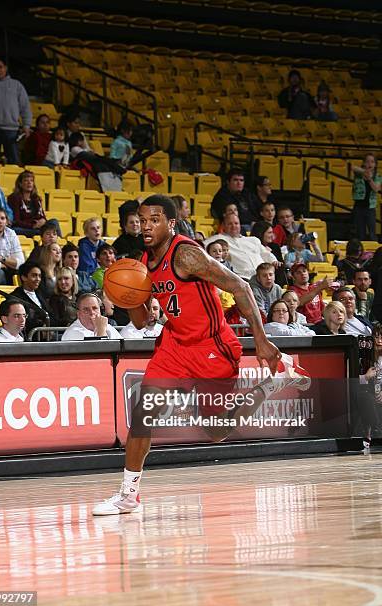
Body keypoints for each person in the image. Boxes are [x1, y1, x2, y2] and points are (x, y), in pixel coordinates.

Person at [92, 194, 311, 516]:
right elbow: (142, 321)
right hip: (174, 345)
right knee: (142, 415)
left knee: (216, 431)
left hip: (212, 347)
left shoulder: (187, 255)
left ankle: (272, 383)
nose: (146, 225)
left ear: (171, 223)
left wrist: (261, 339)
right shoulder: (143, 261)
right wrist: (124, 293)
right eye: (143, 219)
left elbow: (240, 287)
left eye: (154, 219)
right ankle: (129, 494)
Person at [205, 213, 277, 280]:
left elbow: (266, 254)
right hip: (243, 278)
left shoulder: (253, 240)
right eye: (230, 224)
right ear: (223, 225)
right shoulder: (218, 239)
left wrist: (274, 261)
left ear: (240, 225)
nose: (233, 226)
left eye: (236, 223)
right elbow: (201, 245)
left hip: (264, 276)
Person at [7, 170, 61, 237]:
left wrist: (43, 221)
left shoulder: (36, 198)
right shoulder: (14, 198)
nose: (29, 183)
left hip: (38, 227)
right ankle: (44, 234)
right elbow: (16, 220)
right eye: (26, 181)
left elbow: (42, 216)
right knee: (14, 230)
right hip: (24, 228)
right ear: (20, 184)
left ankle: (59, 245)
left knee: (54, 222)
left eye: (31, 181)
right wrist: (32, 226)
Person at [12, 261, 51, 338]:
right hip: (29, 337)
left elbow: (50, 313)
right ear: (24, 277)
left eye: (39, 276)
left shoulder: (41, 294)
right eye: (34, 275)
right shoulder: (15, 297)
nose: (38, 279)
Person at [359, 323, 382, 449]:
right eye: (376, 337)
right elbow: (353, 382)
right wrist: (366, 377)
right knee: (366, 398)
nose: (379, 341)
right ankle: (375, 432)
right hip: (368, 394)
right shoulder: (364, 357)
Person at [352, 153, 381, 241]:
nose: (369, 164)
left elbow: (376, 189)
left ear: (375, 164)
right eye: (367, 162)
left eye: (372, 162)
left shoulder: (378, 176)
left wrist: (369, 179)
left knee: (372, 233)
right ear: (364, 163)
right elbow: (353, 167)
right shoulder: (358, 174)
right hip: (358, 207)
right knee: (360, 233)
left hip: (370, 208)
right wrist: (364, 172)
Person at [250, 220, 287, 286]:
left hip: (274, 276)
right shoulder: (252, 247)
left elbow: (281, 262)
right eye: (269, 233)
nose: (272, 235)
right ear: (261, 233)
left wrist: (277, 263)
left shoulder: (275, 247)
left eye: (272, 232)